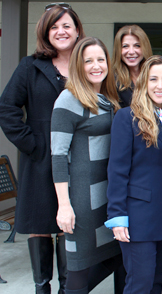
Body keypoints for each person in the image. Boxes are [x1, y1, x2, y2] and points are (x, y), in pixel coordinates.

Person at [0, 3, 85, 294]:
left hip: (78, 157)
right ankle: (41, 287)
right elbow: (7, 108)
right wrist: (33, 144)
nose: (60, 31)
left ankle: (66, 287)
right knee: (40, 223)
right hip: (40, 158)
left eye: (66, 26)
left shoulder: (86, 64)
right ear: (45, 32)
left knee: (68, 223)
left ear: (77, 31)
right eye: (54, 26)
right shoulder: (30, 65)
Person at [51, 37, 123, 294]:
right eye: (88, 61)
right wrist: (64, 206)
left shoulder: (107, 100)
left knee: (116, 256)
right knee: (79, 269)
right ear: (77, 66)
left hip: (107, 196)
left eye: (100, 60)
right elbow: (57, 156)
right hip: (82, 201)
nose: (96, 66)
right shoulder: (68, 100)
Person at [106, 55, 162, 293]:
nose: (160, 86)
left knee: (157, 280)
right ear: (143, 83)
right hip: (138, 216)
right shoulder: (126, 117)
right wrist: (117, 215)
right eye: (154, 79)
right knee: (140, 283)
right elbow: (117, 170)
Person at [112, 24, 153, 107]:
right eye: (125, 46)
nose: (131, 51)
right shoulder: (112, 79)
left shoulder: (154, 74)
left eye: (137, 46)